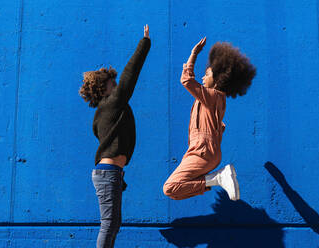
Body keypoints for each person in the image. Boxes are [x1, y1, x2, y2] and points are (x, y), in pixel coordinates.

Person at [79, 25, 151, 248]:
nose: (117, 84)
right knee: (109, 225)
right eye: (113, 83)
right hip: (108, 173)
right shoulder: (110, 105)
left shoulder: (106, 112)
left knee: (114, 224)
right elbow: (130, 74)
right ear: (104, 88)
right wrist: (144, 42)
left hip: (112, 173)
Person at [163, 37, 256, 201]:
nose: (203, 77)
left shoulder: (212, 96)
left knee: (171, 188)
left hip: (202, 152)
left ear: (219, 79)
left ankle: (218, 178)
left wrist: (193, 55)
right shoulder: (213, 99)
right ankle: (216, 178)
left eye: (207, 74)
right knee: (175, 191)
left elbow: (186, 80)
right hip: (204, 151)